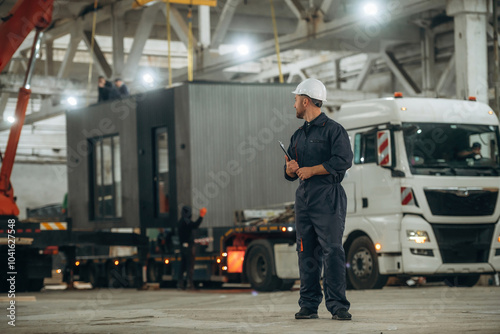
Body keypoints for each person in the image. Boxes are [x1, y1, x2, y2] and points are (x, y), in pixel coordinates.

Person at [284, 78, 353, 320]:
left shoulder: (334, 130)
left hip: (328, 196)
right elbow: (290, 173)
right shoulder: (298, 135)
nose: (294, 105)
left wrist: (312, 170)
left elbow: (344, 160)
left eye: (295, 100)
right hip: (304, 198)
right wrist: (290, 170)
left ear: (305, 101)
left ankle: (338, 306)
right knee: (305, 252)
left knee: (332, 250)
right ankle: (309, 305)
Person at [177, 205, 207, 290]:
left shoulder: (180, 221)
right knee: (190, 266)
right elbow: (195, 225)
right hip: (189, 247)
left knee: (182, 266)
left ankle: (180, 284)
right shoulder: (186, 221)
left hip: (182, 247)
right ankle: (189, 284)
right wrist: (201, 216)